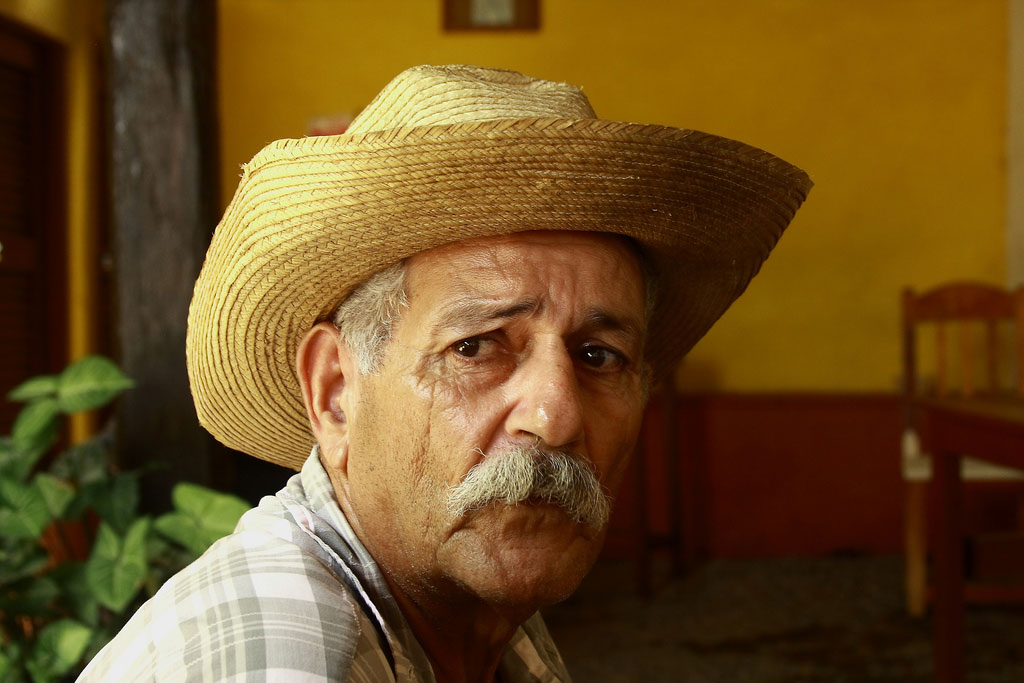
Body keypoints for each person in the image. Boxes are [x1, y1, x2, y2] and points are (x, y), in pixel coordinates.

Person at [80, 64, 811, 682]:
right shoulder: (287, 657)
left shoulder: (473, 611)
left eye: (598, 356)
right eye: (477, 348)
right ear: (336, 392)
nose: (556, 416)